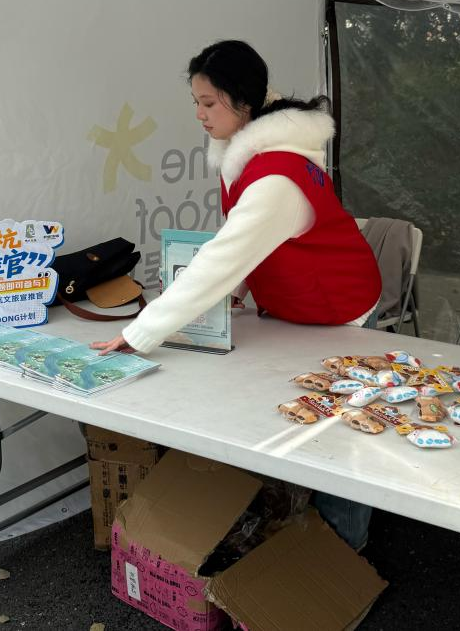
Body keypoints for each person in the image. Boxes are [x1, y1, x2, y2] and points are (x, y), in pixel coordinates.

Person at [90, 39, 381, 548]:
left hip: (340, 310)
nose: (199, 115)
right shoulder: (252, 154)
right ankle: (301, 542)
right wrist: (245, 288)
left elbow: (221, 259)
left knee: (337, 443)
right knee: (305, 424)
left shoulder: (277, 177)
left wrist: (141, 332)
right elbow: (251, 244)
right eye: (196, 103)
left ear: (245, 103)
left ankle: (343, 556)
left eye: (209, 103)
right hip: (297, 308)